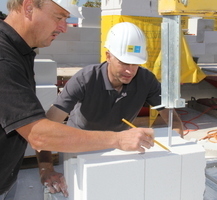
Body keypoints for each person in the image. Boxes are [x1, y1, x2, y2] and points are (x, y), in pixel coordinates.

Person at [0, 1, 155, 199]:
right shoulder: (4, 57)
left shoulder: (19, 52)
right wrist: (118, 139)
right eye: (58, 17)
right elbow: (39, 135)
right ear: (29, 7)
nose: (64, 28)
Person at [40, 22, 184, 194]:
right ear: (108, 56)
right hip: (79, 146)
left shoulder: (146, 80)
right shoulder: (85, 80)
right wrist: (46, 169)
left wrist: (178, 152)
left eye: (135, 64)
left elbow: (172, 119)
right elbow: (44, 130)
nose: (130, 71)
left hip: (118, 145)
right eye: (124, 62)